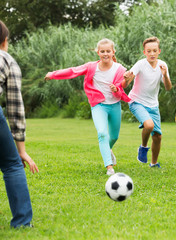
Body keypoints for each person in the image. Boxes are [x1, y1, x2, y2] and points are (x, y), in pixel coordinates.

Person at [45, 38, 130, 175]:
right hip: (98, 105)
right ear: (98, 52)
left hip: (114, 105)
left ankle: (108, 150)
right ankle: (109, 167)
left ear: (113, 52)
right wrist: (53, 74)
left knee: (114, 137)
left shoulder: (120, 69)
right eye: (102, 51)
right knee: (102, 133)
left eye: (108, 51)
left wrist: (116, 90)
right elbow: (72, 71)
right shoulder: (91, 67)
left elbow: (121, 89)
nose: (105, 54)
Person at [0, 20, 39, 228]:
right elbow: (14, 106)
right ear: (5, 41)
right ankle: (22, 223)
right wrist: (21, 150)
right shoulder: (5, 59)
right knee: (12, 165)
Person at [122, 37, 172, 168]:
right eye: (149, 51)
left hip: (153, 105)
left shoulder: (162, 65)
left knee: (157, 136)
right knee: (149, 125)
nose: (152, 53)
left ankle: (154, 163)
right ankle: (143, 147)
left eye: (154, 50)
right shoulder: (140, 64)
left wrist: (165, 75)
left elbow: (168, 88)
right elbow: (128, 80)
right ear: (144, 52)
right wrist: (127, 78)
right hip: (136, 101)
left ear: (159, 51)